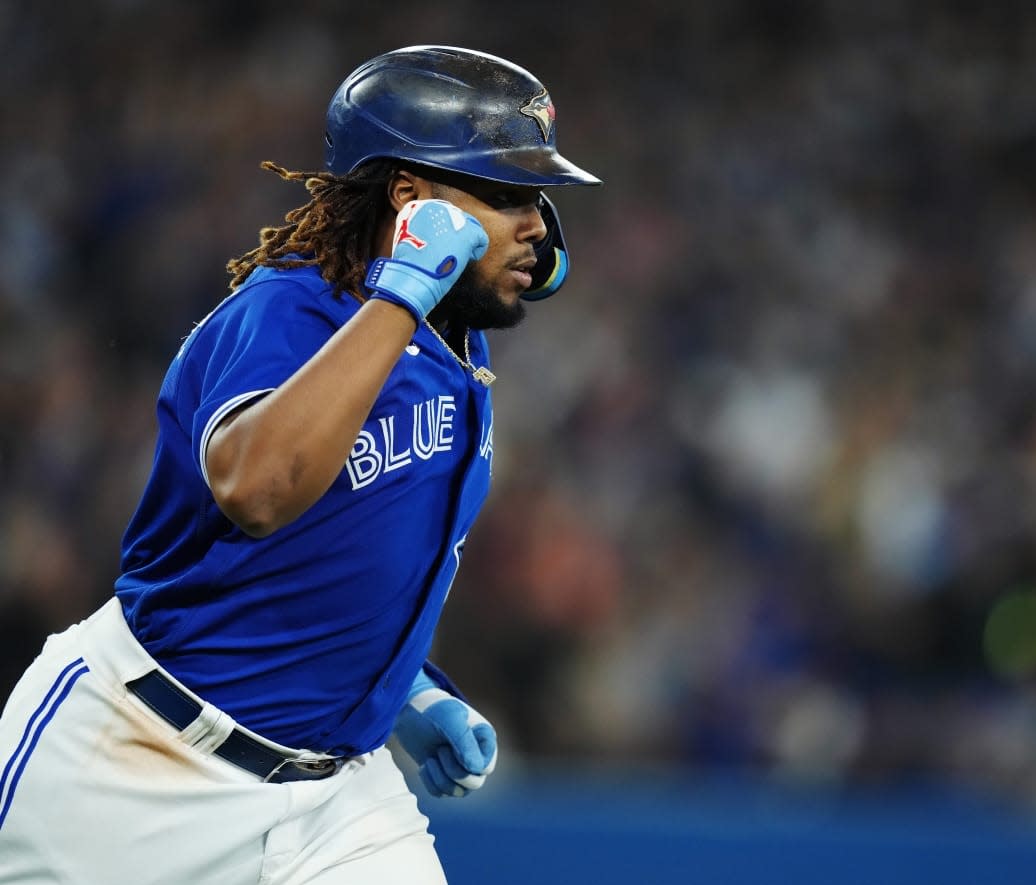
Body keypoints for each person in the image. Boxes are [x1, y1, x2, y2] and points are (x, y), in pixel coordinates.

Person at [0, 44, 600, 884]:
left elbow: (347, 555)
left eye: (537, 195)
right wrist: (402, 293)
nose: (536, 224)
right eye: (504, 194)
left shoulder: (453, 346)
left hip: (336, 804)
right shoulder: (289, 308)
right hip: (137, 766)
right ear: (411, 200)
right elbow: (258, 488)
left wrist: (408, 689)